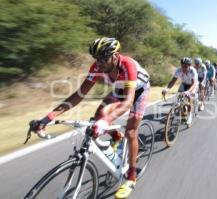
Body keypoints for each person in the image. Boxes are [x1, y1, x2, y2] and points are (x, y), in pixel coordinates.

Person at [31, 37, 150, 199]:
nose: (99, 63)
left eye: (103, 59)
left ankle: (131, 176)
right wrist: (47, 118)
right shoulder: (97, 67)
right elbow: (79, 95)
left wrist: (106, 121)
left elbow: (129, 101)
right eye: (96, 59)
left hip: (139, 91)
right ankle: (116, 137)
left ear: (115, 56)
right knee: (98, 115)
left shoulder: (127, 64)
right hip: (120, 88)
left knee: (130, 131)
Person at [162, 57, 198, 125]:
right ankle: (175, 113)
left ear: (189, 66)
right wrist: (167, 89)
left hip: (192, 85)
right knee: (178, 97)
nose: (183, 68)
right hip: (184, 84)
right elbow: (172, 81)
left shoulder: (193, 71)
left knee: (189, 97)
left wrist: (188, 91)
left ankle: (190, 115)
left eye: (185, 66)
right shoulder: (178, 70)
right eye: (182, 66)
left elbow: (194, 83)